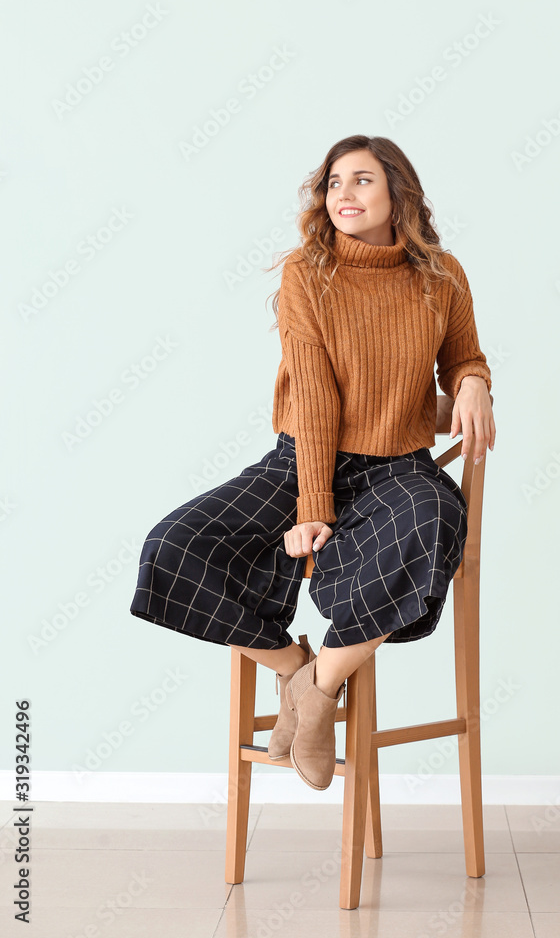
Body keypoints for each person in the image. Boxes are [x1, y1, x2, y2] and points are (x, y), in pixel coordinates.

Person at [129, 134, 496, 791]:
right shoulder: (308, 272)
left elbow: (464, 357)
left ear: (397, 194)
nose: (343, 195)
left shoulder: (443, 275)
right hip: (302, 457)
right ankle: (295, 669)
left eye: (361, 181)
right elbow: (317, 398)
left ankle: (321, 692)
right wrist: (312, 509)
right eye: (333, 183)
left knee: (435, 512)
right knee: (174, 545)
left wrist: (472, 382)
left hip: (397, 469)